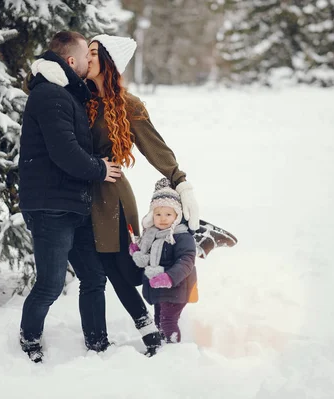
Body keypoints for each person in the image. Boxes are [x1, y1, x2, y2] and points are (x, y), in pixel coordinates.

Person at [85, 34, 200, 355]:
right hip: (80, 196)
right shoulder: (76, 96)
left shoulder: (128, 104)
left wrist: (180, 181)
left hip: (111, 196)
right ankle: (147, 330)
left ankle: (181, 257)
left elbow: (155, 147)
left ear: (108, 62)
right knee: (102, 269)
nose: (87, 58)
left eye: (93, 53)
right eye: (86, 52)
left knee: (128, 268)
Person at [18, 31, 122, 363]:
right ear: (71, 61)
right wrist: (100, 169)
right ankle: (29, 338)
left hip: (71, 203)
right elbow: (65, 152)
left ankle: (97, 340)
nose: (91, 63)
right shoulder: (50, 94)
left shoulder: (67, 94)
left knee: (93, 276)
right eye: (87, 58)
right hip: (50, 207)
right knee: (50, 284)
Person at [130, 178, 198, 343]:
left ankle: (173, 349)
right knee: (159, 318)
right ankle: (163, 347)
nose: (162, 218)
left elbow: (186, 261)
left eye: (168, 214)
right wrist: (137, 252)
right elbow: (148, 259)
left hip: (177, 286)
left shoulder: (181, 236)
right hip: (157, 288)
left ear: (177, 215)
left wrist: (169, 277)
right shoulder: (151, 235)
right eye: (158, 214)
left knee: (168, 321)